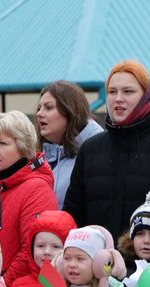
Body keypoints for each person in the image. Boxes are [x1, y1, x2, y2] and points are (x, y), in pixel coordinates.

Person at [63, 60, 150, 240]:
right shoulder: (90, 150)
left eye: (128, 91)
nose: (118, 98)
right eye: (112, 91)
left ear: (146, 97)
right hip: (96, 264)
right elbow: (73, 214)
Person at [0, 111, 58, 287]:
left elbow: (31, 249)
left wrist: (2, 283)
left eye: (3, 143)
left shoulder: (37, 189)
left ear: (24, 148)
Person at [36, 81, 104, 209]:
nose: (39, 113)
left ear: (70, 110)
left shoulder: (98, 153)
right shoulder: (39, 160)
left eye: (49, 107)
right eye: (39, 108)